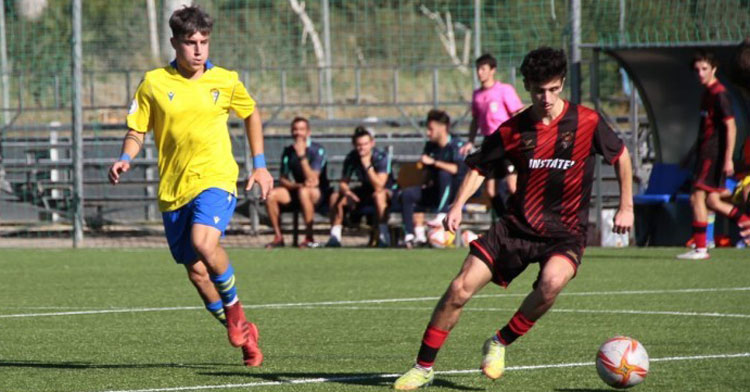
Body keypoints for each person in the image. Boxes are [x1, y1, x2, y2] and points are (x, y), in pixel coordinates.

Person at [393, 47, 634, 390]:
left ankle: (499, 342)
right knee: (459, 289)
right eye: (538, 90)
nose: (546, 97)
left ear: (562, 83)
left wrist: (627, 205)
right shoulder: (515, 128)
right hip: (516, 227)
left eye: (553, 89)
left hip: (565, 232)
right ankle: (423, 366)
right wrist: (458, 204)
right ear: (526, 87)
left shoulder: (587, 121)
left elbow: (622, 157)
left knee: (552, 283)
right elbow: (478, 166)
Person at [108, 5, 272, 367]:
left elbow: (251, 114)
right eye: (190, 42)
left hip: (216, 179)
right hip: (173, 190)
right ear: (174, 43)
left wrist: (259, 166)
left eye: (204, 42)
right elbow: (138, 129)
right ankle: (245, 332)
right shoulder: (154, 83)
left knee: (204, 242)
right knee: (198, 273)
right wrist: (126, 156)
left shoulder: (225, 80)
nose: (198, 50)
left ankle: (235, 312)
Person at [677, 50, 750, 260]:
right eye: (697, 70)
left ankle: (701, 248)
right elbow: (704, 130)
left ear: (714, 69)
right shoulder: (706, 94)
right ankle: (744, 219)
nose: (700, 73)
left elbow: (731, 126)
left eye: (704, 69)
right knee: (712, 200)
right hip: (704, 155)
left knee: (696, 197)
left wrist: (728, 158)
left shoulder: (720, 94)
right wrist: (690, 154)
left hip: (714, 155)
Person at [460, 54, 524, 216]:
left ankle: (523, 218)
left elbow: (518, 113)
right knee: (490, 189)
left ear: (492, 70)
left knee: (512, 185)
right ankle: (505, 222)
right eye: (478, 69)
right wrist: (470, 141)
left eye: (483, 69)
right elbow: (475, 120)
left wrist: (520, 136)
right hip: (490, 142)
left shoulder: (504, 90)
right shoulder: (477, 95)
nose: (480, 73)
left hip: (507, 141)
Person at [398, 109, 467, 248]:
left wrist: (434, 162)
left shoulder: (457, 145)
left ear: (443, 128)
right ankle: (410, 236)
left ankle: (442, 214)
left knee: (444, 173)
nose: (428, 133)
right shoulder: (430, 146)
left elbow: (457, 169)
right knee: (407, 194)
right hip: (437, 191)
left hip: (455, 195)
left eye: (431, 129)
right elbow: (427, 171)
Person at [264, 117, 331, 248]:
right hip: (298, 189)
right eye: (295, 129)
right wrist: (296, 185)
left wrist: (302, 156)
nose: (298, 132)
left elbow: (313, 180)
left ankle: (309, 237)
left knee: (304, 192)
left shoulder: (317, 150)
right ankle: (278, 237)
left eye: (301, 129)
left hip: (317, 193)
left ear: (308, 132)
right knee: (271, 195)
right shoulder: (288, 151)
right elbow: (283, 178)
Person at [325, 126, 397, 247]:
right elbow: (343, 182)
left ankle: (384, 237)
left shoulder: (381, 157)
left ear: (372, 143)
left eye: (365, 144)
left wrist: (367, 165)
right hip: (365, 190)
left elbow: (379, 185)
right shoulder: (352, 157)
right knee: (335, 197)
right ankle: (335, 237)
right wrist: (347, 193)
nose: (361, 148)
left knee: (379, 196)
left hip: (387, 191)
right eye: (359, 145)